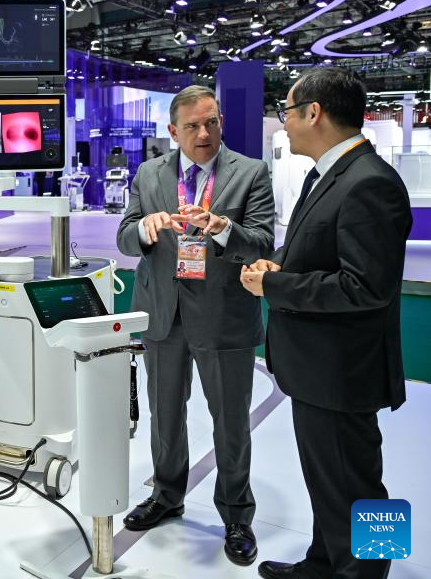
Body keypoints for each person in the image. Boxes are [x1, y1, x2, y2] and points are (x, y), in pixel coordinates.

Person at [240, 69, 411, 579]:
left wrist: (275, 287)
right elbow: (321, 253)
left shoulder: (369, 182)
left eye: (288, 112)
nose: (284, 123)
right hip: (321, 370)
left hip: (342, 373)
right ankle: (323, 563)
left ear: (314, 113)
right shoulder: (333, 174)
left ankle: (368, 574)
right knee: (330, 482)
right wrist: (278, 265)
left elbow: (365, 288)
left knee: (361, 489)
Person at [116, 85, 274, 567]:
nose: (204, 133)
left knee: (231, 421)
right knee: (164, 414)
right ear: (173, 130)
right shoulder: (149, 173)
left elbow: (262, 241)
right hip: (163, 314)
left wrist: (221, 227)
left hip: (224, 316)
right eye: (192, 126)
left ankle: (237, 515)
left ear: (220, 121)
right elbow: (125, 236)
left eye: (211, 122)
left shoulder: (250, 172)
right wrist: (143, 229)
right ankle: (167, 495)